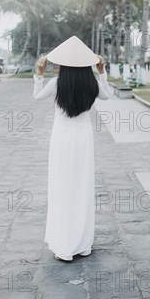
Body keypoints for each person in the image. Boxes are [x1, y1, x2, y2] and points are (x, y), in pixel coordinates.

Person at [33, 35, 112, 262]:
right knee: (82, 188)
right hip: (84, 141)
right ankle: (83, 245)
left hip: (62, 141)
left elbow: (37, 97)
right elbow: (107, 96)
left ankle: (65, 247)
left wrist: (40, 72)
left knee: (62, 188)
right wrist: (102, 71)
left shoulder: (56, 83)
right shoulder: (92, 83)